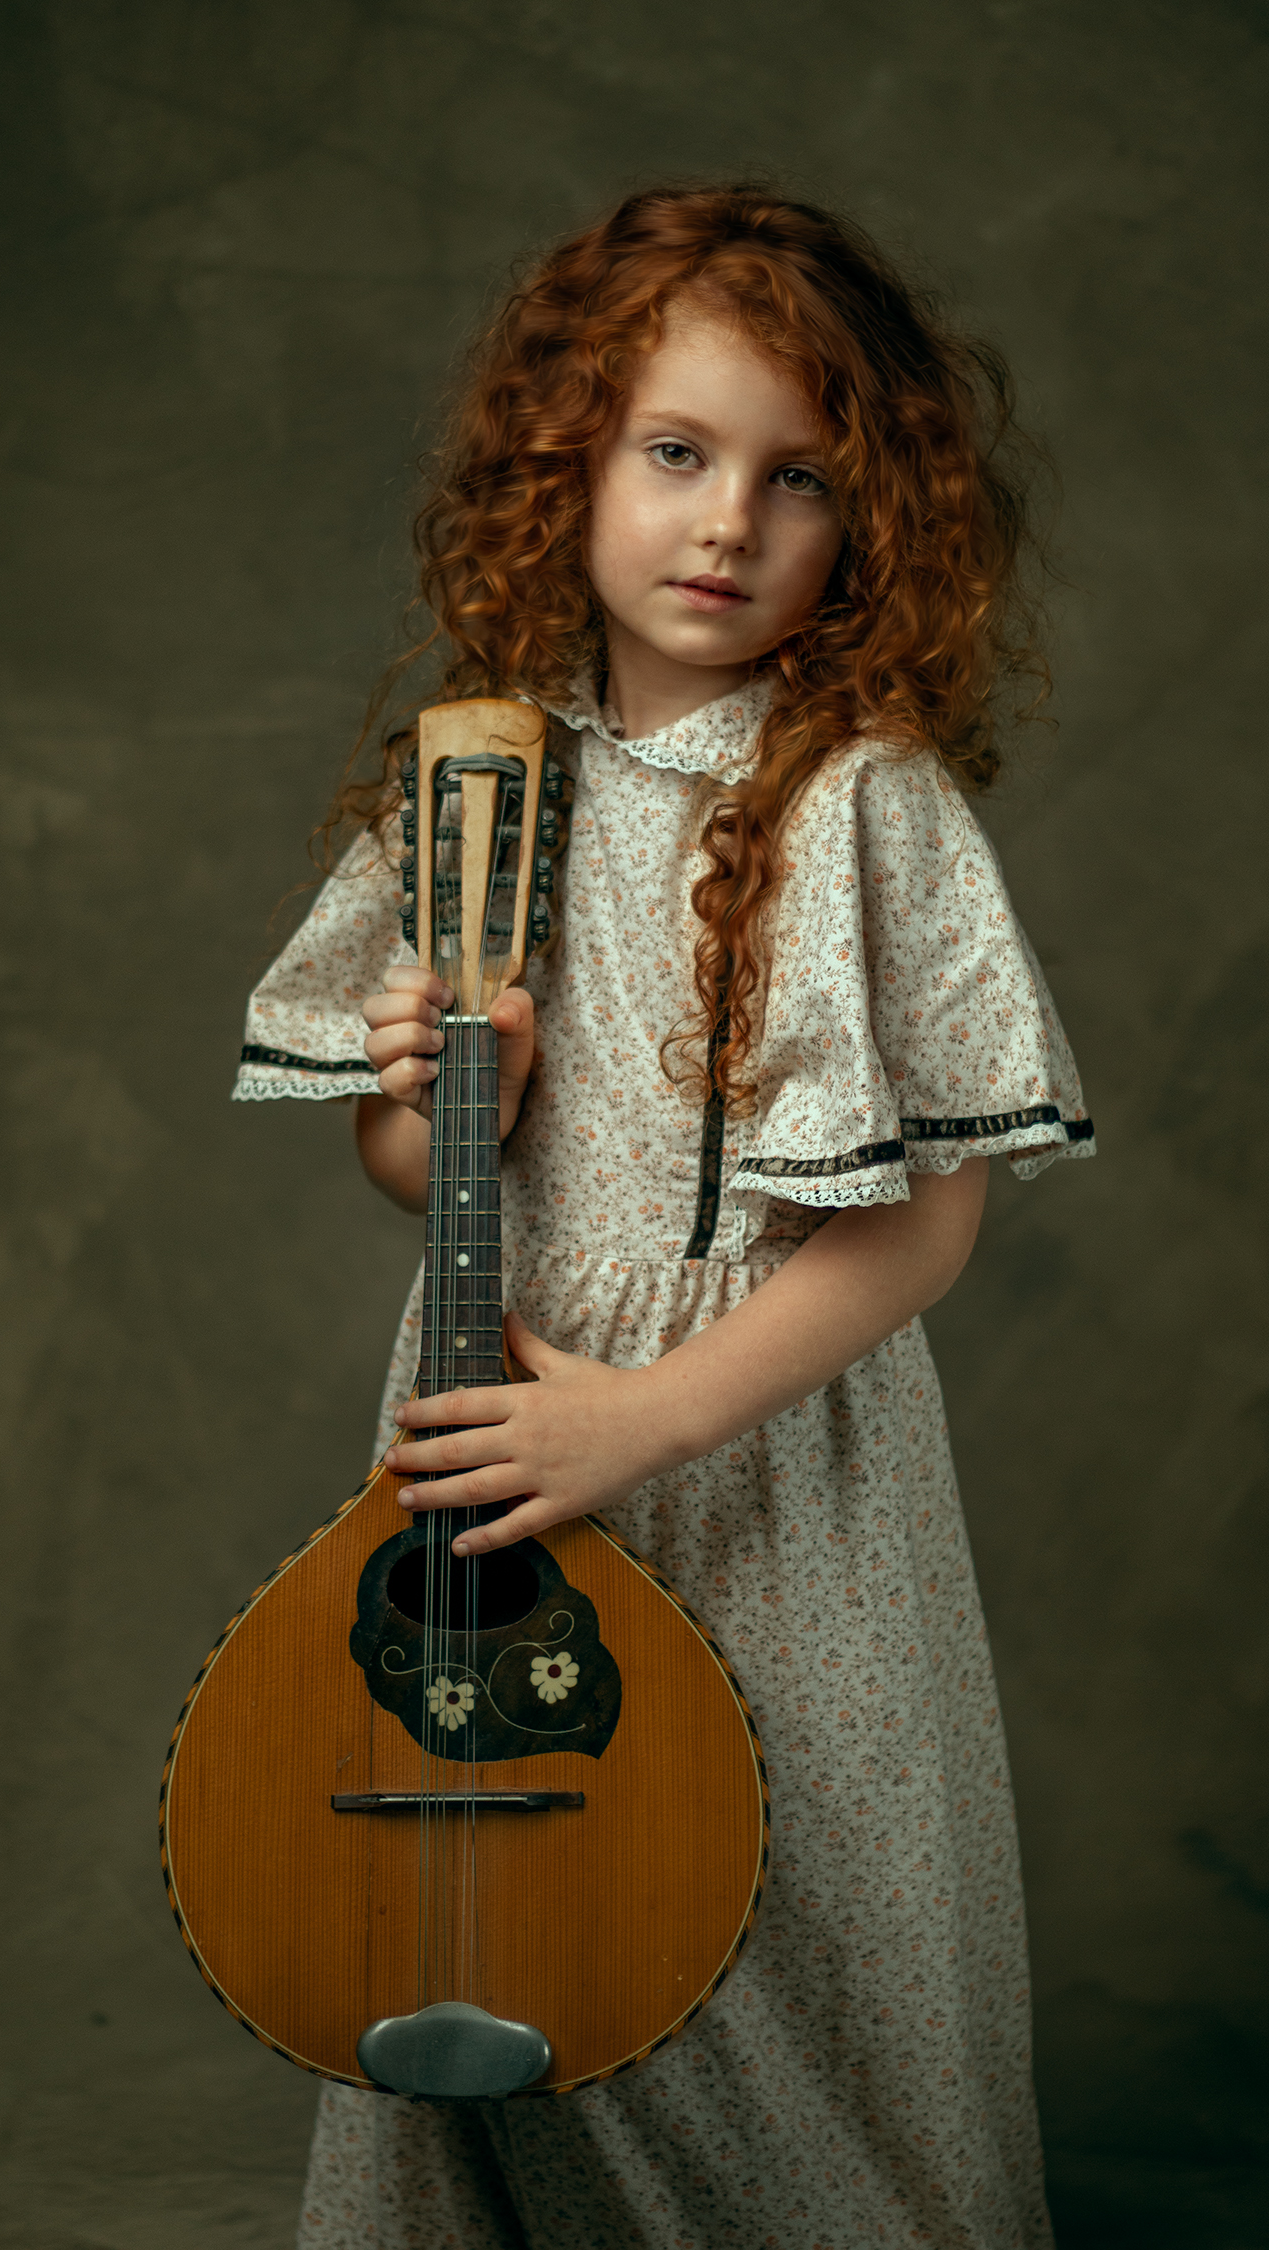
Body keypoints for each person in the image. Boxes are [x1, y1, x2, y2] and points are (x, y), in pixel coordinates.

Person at [235, 184, 1092, 2250]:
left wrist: (655, 1418)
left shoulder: (865, 797)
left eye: (798, 480)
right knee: (495, 1894)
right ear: (572, 469)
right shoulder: (479, 783)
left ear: (869, 523)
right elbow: (419, 1171)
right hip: (495, 1430)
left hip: (766, 1463)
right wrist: (458, 1112)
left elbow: (924, 1227)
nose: (728, 523)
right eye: (677, 455)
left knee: (804, 1929)